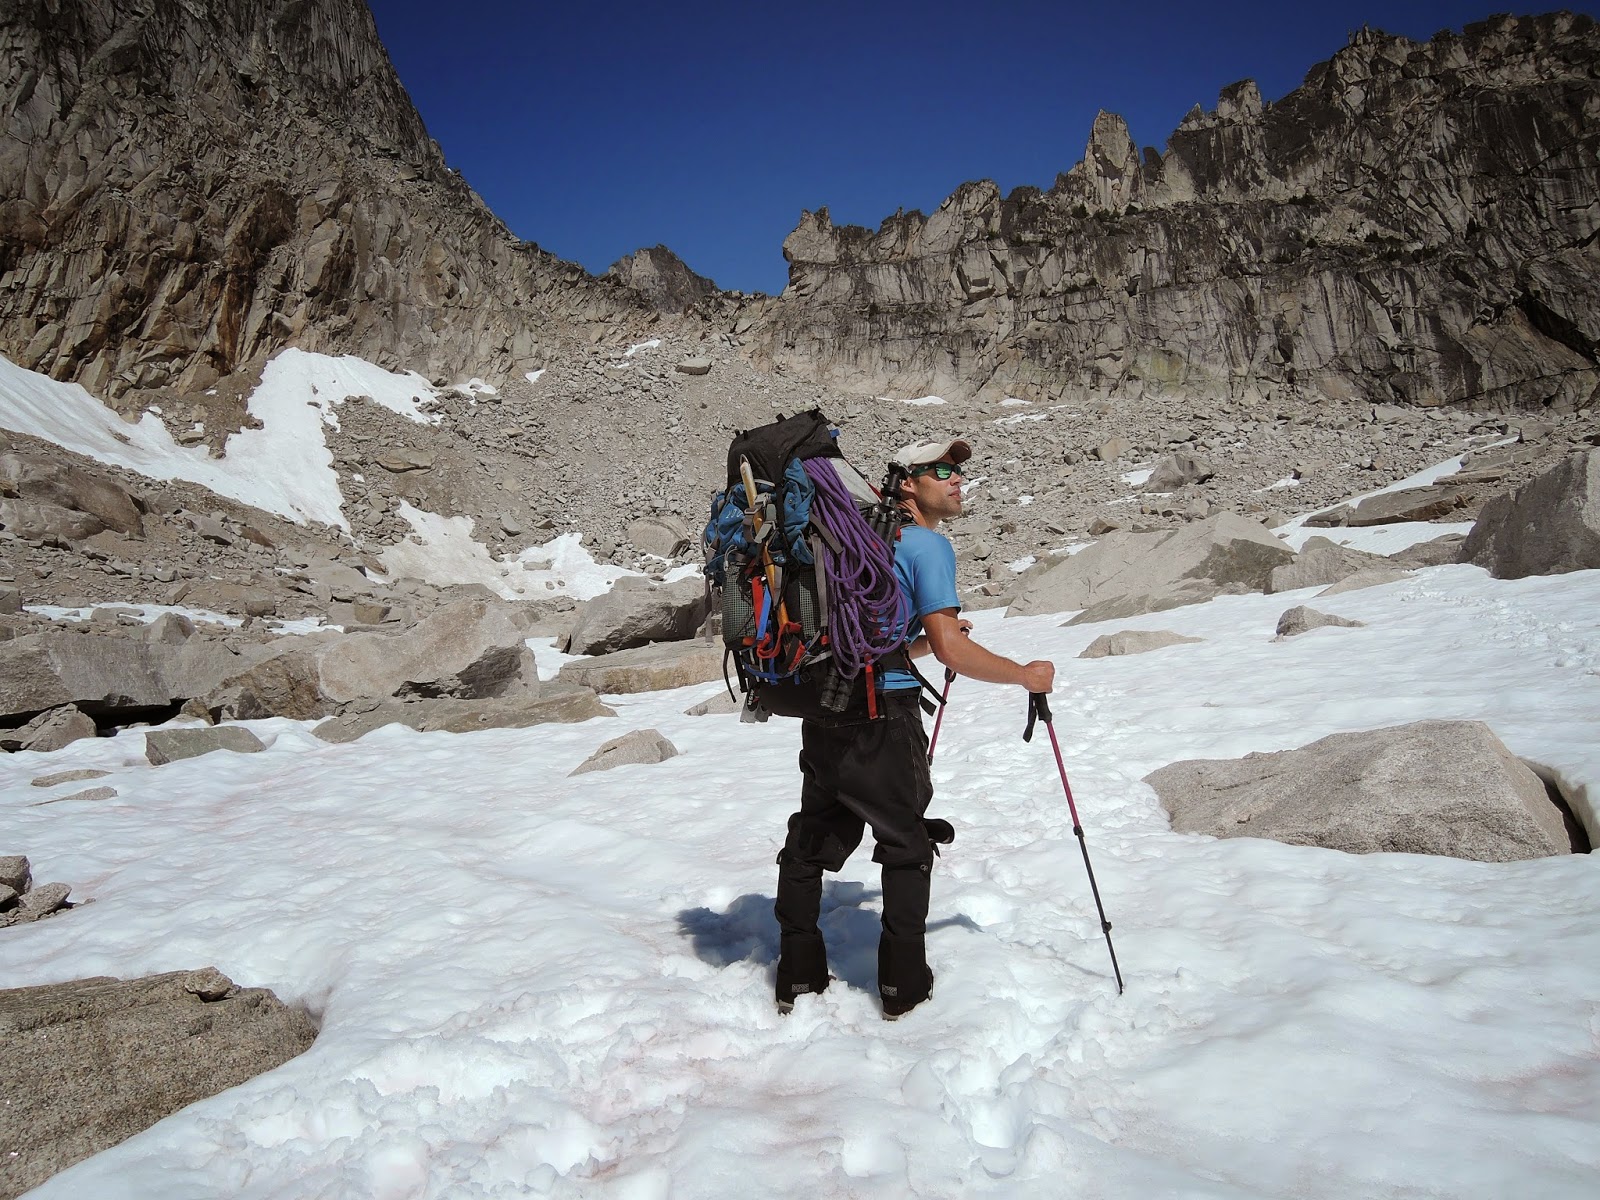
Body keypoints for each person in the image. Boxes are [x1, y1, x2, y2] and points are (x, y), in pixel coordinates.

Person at [773, 436, 1056, 1018]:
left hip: (827, 711)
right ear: (908, 482)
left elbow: (884, 644)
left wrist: (926, 640)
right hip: (882, 719)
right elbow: (951, 650)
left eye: (957, 469)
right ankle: (903, 987)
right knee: (905, 843)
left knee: (813, 836)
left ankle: (796, 976)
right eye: (943, 469)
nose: (957, 478)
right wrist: (1025, 675)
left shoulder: (857, 543)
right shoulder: (925, 544)